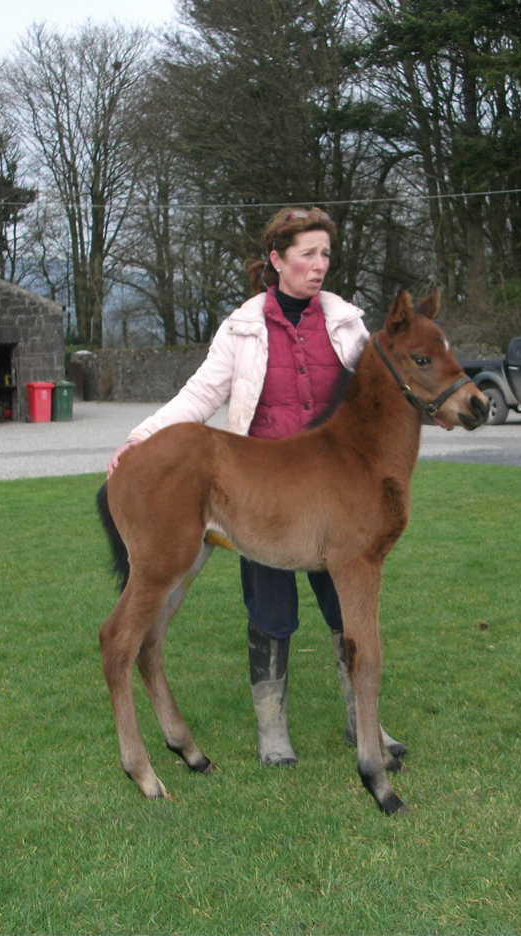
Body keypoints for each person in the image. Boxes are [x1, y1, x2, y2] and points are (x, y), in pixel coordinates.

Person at [107, 206, 406, 767]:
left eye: (325, 255)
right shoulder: (244, 327)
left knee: (349, 610)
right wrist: (141, 437)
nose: (319, 267)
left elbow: (379, 397)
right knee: (271, 613)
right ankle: (273, 729)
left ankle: (362, 721)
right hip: (263, 487)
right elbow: (199, 396)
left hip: (337, 488)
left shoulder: (346, 323)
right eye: (307, 255)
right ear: (277, 260)